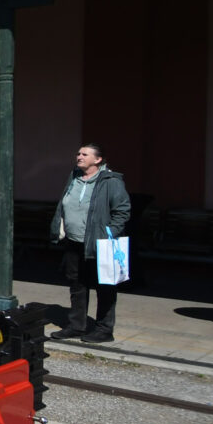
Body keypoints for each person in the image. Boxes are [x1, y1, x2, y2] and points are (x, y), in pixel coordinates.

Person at [48, 143, 131, 342]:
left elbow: (122, 211)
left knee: (105, 287)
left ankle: (104, 330)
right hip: (74, 242)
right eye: (78, 153)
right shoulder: (74, 177)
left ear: (98, 159)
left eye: (85, 154)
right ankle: (77, 326)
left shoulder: (111, 181)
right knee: (77, 285)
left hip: (99, 243)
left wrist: (108, 234)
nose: (79, 156)